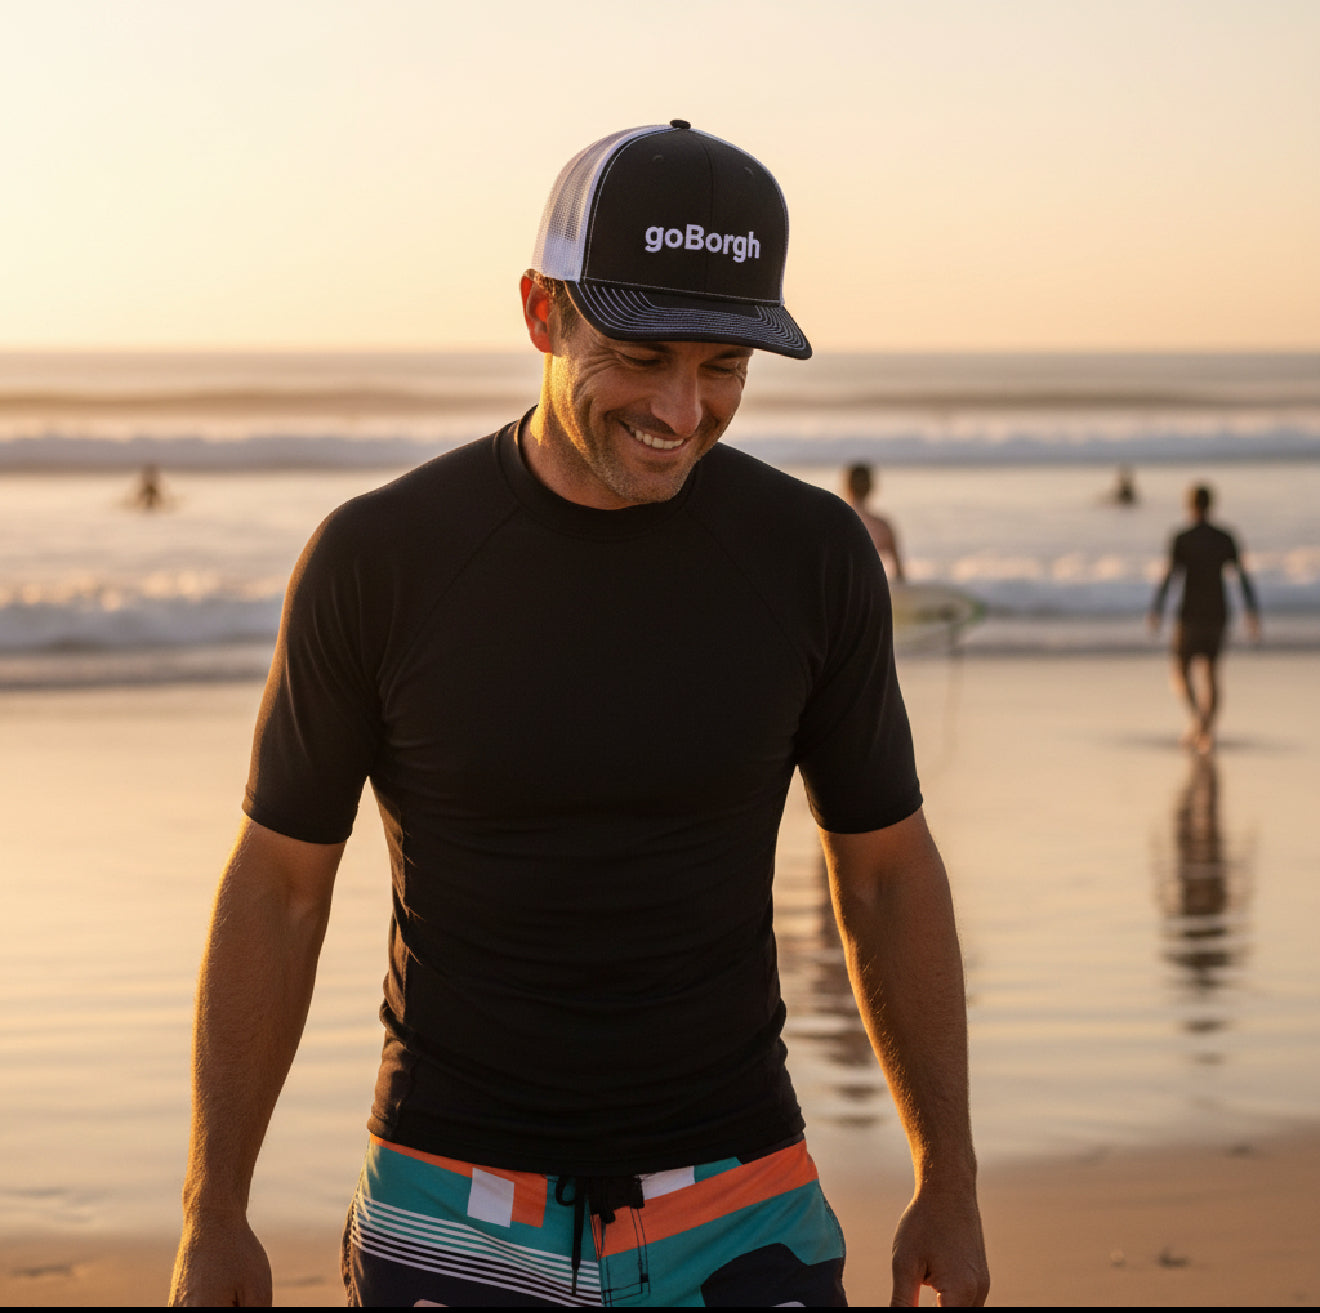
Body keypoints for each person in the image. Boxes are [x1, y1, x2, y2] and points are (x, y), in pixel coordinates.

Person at [168, 121, 988, 1308]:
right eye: (643, 355)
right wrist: (216, 1206)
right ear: (541, 310)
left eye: (725, 367)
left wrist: (948, 1176)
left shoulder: (812, 557)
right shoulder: (380, 559)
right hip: (450, 1198)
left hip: (741, 1199)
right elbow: (280, 884)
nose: (681, 408)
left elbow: (888, 874)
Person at [1149, 482, 1261, 753]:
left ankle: (1199, 722)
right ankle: (1205, 731)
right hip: (1218, 613)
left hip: (1190, 614)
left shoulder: (1182, 537)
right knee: (1211, 674)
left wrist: (1157, 608)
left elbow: (1169, 576)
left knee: (1180, 671)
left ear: (1189, 505)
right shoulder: (1225, 537)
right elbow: (1242, 577)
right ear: (1212, 504)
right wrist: (1252, 610)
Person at [842, 461, 906, 581]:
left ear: (847, 487)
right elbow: (900, 574)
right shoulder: (883, 526)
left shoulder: (834, 523)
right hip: (870, 592)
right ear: (871, 487)